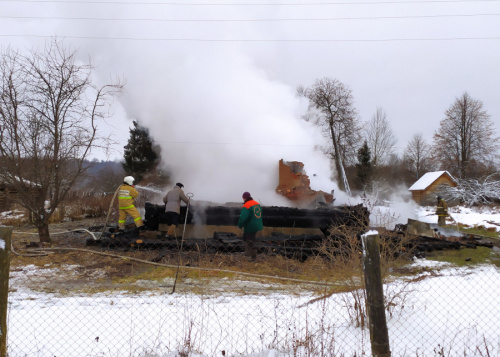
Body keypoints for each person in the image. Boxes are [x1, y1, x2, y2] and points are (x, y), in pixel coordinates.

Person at [237, 192, 263, 261]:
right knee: (245, 238)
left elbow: (242, 218)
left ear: (244, 198)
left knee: (250, 241)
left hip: (250, 226)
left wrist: (239, 225)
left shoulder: (246, 206)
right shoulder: (257, 203)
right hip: (257, 224)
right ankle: (247, 253)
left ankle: (253, 258)